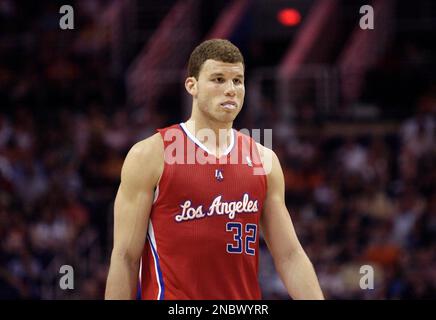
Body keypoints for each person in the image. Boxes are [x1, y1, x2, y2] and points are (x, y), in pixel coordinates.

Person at [105, 39, 324, 300]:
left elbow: (290, 255)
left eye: (237, 81)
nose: (230, 89)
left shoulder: (264, 160)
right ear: (192, 85)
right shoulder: (151, 154)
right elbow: (125, 257)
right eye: (218, 79)